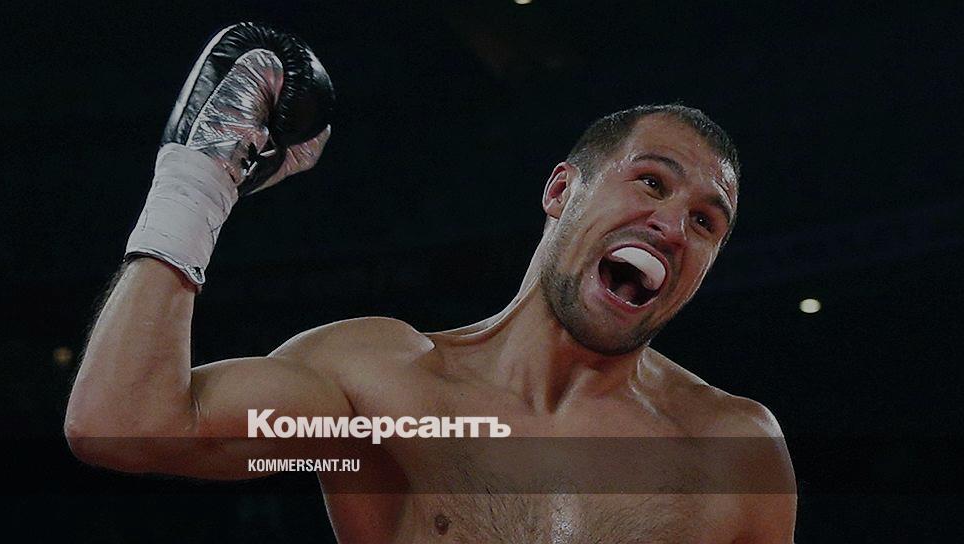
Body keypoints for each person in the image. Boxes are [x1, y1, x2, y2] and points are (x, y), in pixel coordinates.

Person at [65, 24, 796, 544]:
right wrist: (198, 183)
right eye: (651, 182)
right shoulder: (383, 387)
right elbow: (125, 427)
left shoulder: (733, 450)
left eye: (706, 222)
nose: (672, 226)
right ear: (559, 191)